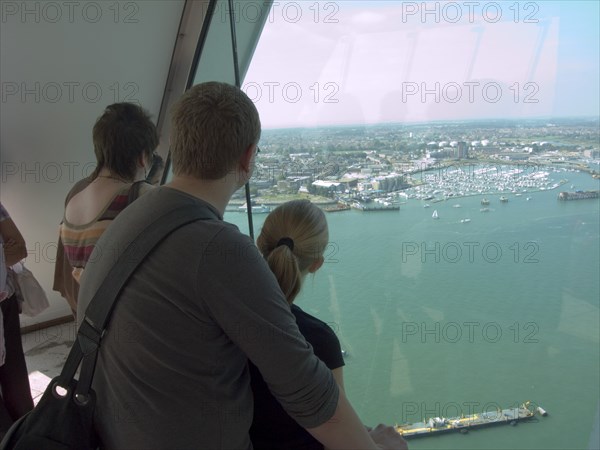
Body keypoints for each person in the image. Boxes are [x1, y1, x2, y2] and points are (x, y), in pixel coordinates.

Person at [77, 82, 407, 449]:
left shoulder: (129, 218)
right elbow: (310, 393)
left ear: (177, 147)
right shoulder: (220, 248)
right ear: (248, 157)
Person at [250, 199, 358, 449]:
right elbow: (338, 424)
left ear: (260, 246)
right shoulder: (319, 339)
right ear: (317, 263)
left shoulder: (224, 319)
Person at [52, 102, 163, 316]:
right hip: (121, 319)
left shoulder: (76, 192)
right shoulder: (141, 196)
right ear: (142, 157)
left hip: (86, 310)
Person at [0, 203, 34, 439]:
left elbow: (20, 249)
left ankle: (28, 435)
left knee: (15, 381)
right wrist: (2, 253)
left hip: (4, 304)